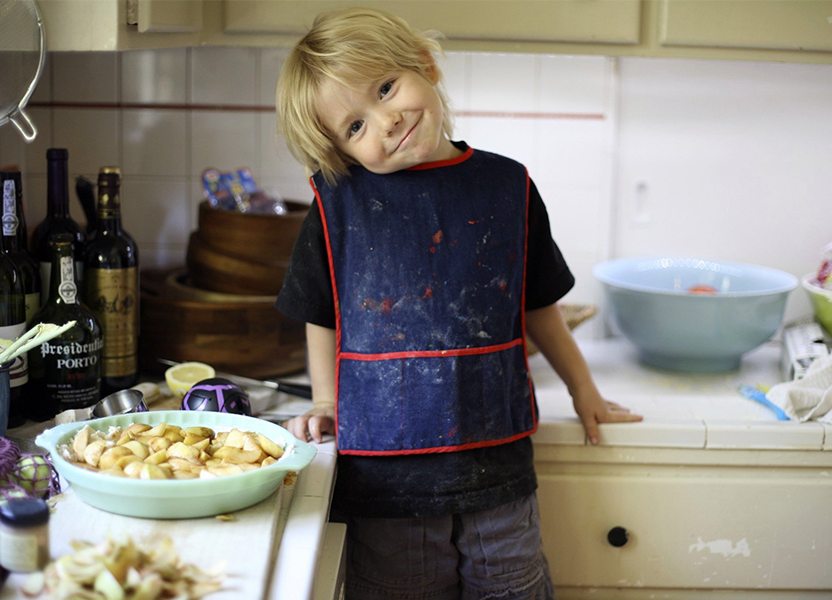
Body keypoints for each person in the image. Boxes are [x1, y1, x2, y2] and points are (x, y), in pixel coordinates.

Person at [274, 7, 643, 599]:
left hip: (496, 465)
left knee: (513, 588)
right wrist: (324, 400)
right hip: (384, 478)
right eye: (355, 127)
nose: (386, 120)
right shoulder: (337, 205)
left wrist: (585, 391)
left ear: (426, 64)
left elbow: (538, 307)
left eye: (386, 88)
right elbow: (323, 313)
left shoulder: (509, 186)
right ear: (341, 152)